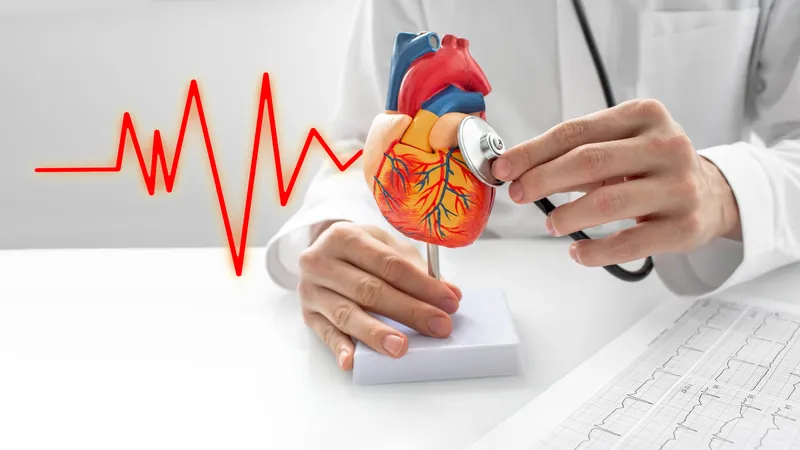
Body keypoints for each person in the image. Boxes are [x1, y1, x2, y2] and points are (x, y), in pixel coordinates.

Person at [265, 0, 800, 371]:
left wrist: (725, 191)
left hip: (700, 305)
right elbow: (365, 140)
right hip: (473, 297)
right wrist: (340, 233)